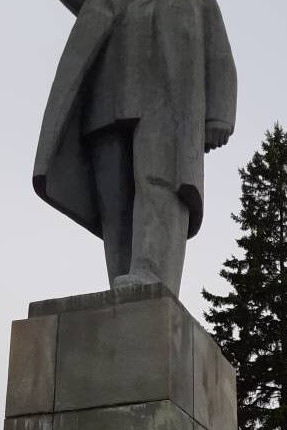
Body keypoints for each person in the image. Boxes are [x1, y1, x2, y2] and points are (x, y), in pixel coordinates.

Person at [35, 0, 238, 297]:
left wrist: (219, 113)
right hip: (106, 96)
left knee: (159, 181)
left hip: (165, 100)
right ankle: (122, 276)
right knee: (114, 202)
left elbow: (219, 52)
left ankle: (152, 271)